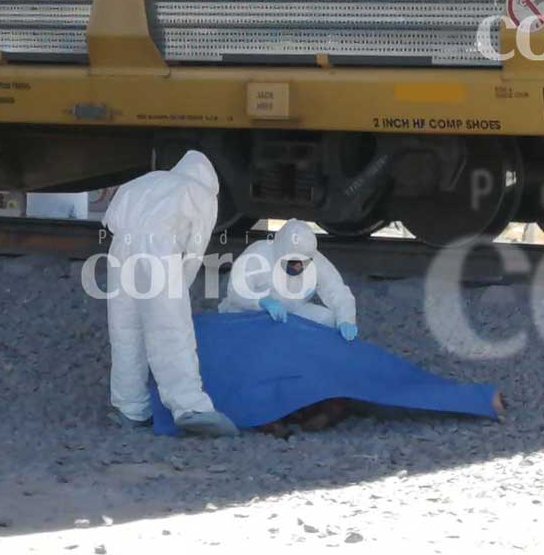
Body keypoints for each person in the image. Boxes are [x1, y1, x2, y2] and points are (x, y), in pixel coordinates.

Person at [103, 151, 238, 437]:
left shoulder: (145, 180)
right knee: (170, 330)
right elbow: (194, 250)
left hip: (120, 248)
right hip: (159, 252)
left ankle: (131, 408)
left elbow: (112, 220)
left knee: (125, 329)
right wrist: (179, 289)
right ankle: (190, 407)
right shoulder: (199, 193)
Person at [220, 219, 358, 340]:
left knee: (327, 319)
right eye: (293, 261)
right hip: (252, 313)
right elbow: (235, 289)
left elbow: (337, 290)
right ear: (281, 251)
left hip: (291, 314)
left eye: (305, 262)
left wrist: (346, 319)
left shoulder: (315, 259)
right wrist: (260, 301)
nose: (299, 267)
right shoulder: (258, 254)